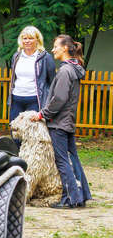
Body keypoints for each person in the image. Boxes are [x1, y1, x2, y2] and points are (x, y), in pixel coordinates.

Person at [30, 35, 91, 209]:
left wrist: (43, 114)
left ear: (65, 48)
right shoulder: (74, 68)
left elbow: (59, 98)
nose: (53, 49)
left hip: (59, 123)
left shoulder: (65, 71)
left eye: (56, 46)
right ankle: (81, 195)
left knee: (62, 161)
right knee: (73, 159)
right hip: (68, 121)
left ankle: (70, 199)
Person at [8, 26, 56, 149]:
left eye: (31, 38)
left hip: (35, 100)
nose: (27, 41)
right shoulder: (16, 56)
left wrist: (48, 102)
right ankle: (18, 162)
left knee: (32, 135)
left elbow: (52, 82)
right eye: (25, 38)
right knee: (16, 133)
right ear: (21, 40)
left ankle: (31, 165)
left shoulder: (45, 58)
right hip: (17, 99)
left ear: (37, 40)